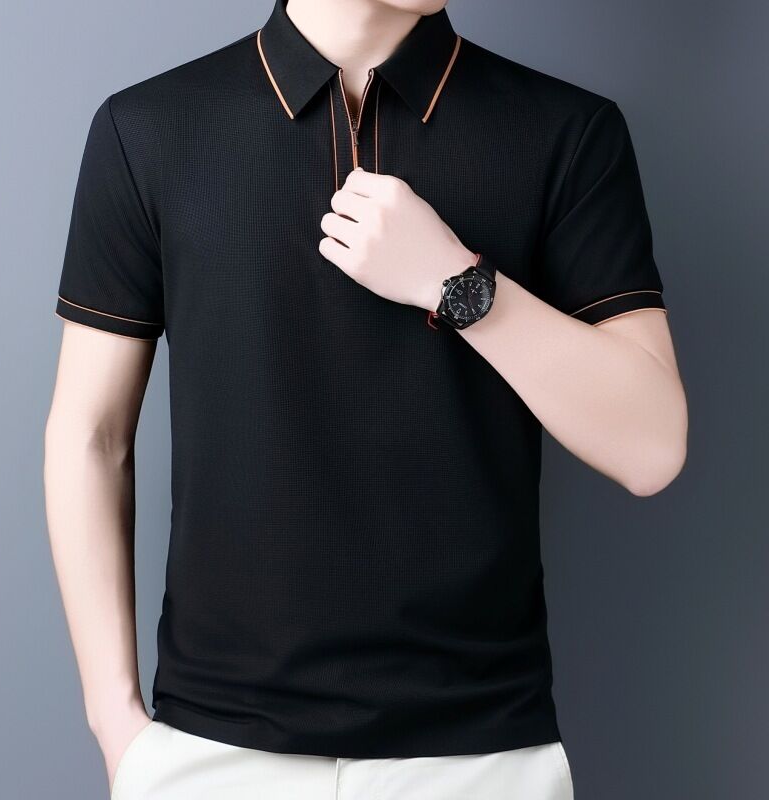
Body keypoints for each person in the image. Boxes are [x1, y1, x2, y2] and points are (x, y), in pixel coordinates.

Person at [43, 0, 688, 797]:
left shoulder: (567, 131)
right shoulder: (148, 129)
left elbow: (652, 448)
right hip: (211, 752)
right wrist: (116, 724)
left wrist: (455, 282)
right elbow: (91, 435)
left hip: (481, 758)